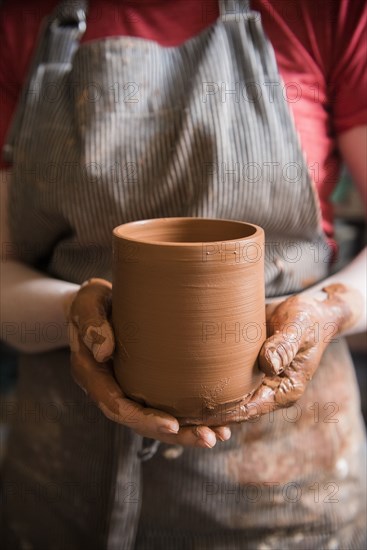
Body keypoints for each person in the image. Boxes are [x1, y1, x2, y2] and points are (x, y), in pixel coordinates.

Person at [1, 0, 366, 548]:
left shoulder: (327, 13)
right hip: (66, 468)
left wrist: (333, 308)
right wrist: (72, 314)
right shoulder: (19, 22)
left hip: (284, 480)